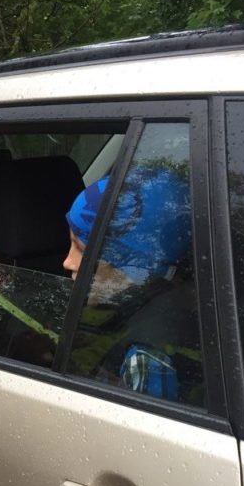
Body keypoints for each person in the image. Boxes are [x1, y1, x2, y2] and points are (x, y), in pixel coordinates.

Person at [62, 168, 195, 401]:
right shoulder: (147, 312)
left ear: (134, 265)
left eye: (81, 250)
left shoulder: (146, 359)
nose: (67, 262)